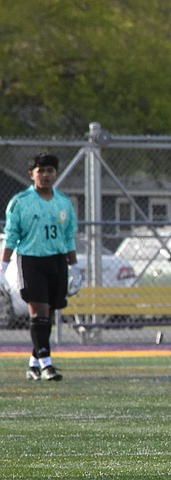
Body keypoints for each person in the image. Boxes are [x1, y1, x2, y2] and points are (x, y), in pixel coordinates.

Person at [2, 152, 78, 381]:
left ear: (55, 174)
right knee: (39, 311)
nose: (45, 175)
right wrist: (3, 265)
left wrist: (74, 267)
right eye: (40, 171)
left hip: (56, 261)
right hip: (31, 260)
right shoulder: (20, 202)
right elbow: (11, 235)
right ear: (31, 174)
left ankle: (34, 363)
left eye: (49, 171)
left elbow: (68, 237)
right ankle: (47, 364)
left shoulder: (63, 202)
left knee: (50, 311)